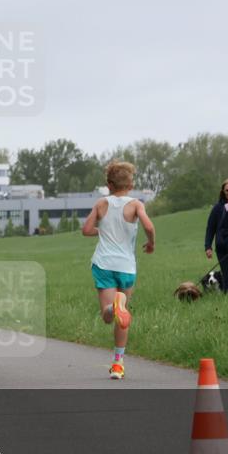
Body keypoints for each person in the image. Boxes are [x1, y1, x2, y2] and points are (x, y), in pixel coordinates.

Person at [82, 161, 156, 380]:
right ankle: (118, 364)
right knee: (122, 317)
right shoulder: (136, 204)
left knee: (108, 316)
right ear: (131, 184)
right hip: (126, 266)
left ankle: (112, 308)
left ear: (108, 184)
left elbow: (86, 230)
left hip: (103, 263)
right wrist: (151, 243)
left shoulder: (101, 203)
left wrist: (102, 231)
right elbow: (149, 227)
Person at [204, 178, 228, 293]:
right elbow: (210, 228)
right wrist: (208, 246)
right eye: (227, 190)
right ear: (223, 192)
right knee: (227, 276)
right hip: (222, 246)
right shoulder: (217, 208)